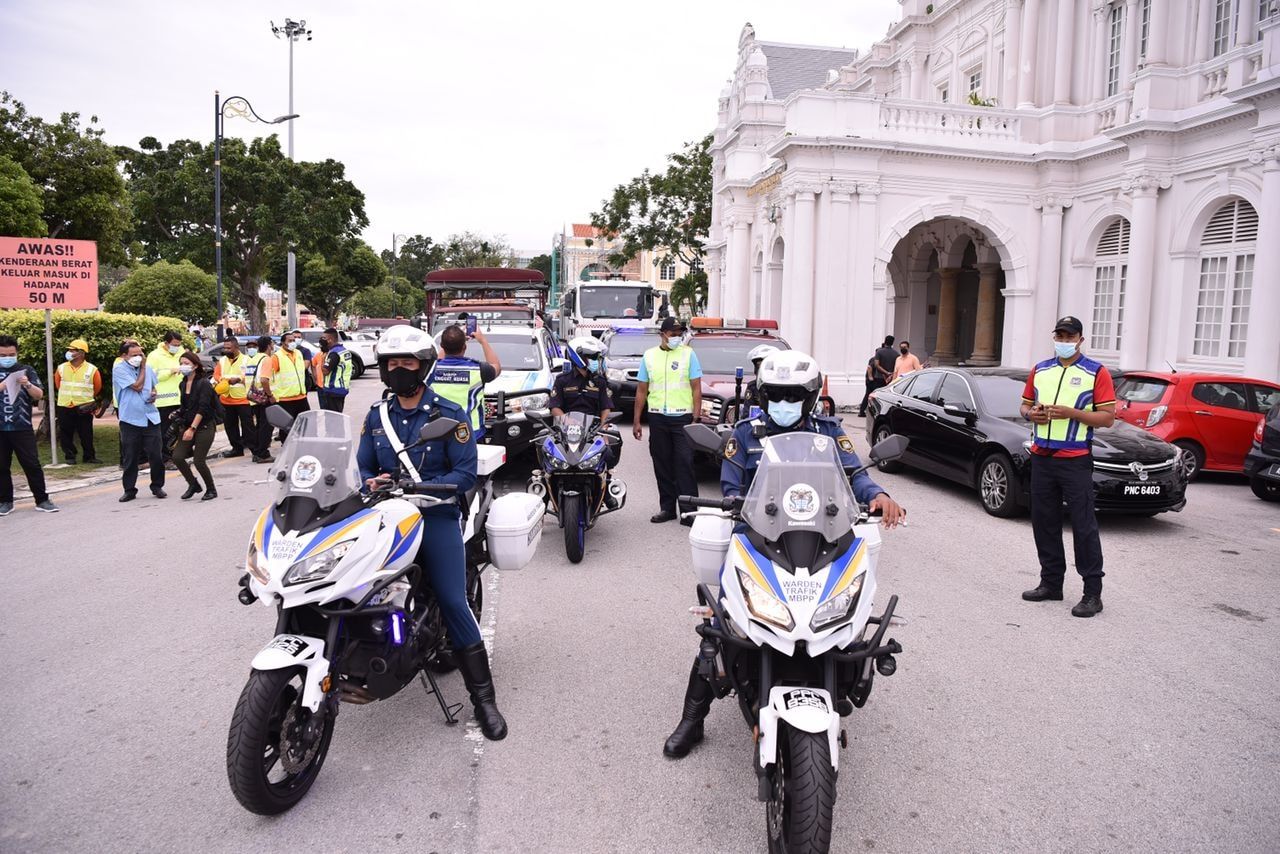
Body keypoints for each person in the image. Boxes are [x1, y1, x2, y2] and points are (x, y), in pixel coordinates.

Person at [662, 350, 903, 758]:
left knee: (852, 605)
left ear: (809, 398)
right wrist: (736, 504)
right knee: (723, 622)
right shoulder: (743, 434)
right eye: (775, 395)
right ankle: (692, 718)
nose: (783, 404)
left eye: (793, 396)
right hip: (758, 536)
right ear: (762, 395)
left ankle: (844, 668)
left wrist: (878, 495)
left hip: (821, 534)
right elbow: (732, 487)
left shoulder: (829, 432)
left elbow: (856, 475)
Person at [355, 325, 507, 741]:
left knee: (453, 601)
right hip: (386, 516)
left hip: (434, 515)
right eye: (392, 364)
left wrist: (426, 488)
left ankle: (484, 701)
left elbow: (463, 471)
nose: (399, 370)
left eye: (407, 363)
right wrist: (369, 480)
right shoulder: (376, 416)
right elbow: (363, 464)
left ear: (424, 367)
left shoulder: (449, 416)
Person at [1019, 316, 1116, 618]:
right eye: (1059, 335)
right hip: (1042, 457)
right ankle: (1051, 583)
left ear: (1080, 340)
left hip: (1074, 460)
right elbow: (1024, 405)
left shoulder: (1096, 373)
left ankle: (1092, 593)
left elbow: (1108, 417)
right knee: (1043, 521)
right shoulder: (1041, 370)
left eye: (1069, 336)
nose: (1063, 340)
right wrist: (1030, 414)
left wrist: (1073, 413)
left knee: (1083, 525)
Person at [633, 317, 701, 523]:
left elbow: (696, 387)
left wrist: (696, 417)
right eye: (673, 334)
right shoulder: (649, 356)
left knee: (684, 463)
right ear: (662, 334)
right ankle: (668, 508)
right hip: (657, 417)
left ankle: (689, 511)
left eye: (680, 334)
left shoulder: (689, 354)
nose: (677, 338)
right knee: (662, 464)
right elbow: (642, 390)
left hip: (682, 417)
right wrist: (636, 420)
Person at [0, 336, 59, 515]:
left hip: (22, 426)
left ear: (17, 353)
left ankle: (42, 499)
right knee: (1, 466)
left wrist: (27, 384)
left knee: (31, 464)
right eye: (3, 355)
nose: (8, 357)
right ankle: (5, 501)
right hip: (0, 429)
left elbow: (39, 394)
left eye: (11, 354)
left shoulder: (26, 370)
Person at [550, 336, 623, 476]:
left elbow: (605, 409)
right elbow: (554, 407)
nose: (595, 360)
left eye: (597, 357)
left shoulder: (600, 382)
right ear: (579, 357)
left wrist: (604, 430)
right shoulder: (562, 380)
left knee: (608, 452)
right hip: (566, 430)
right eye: (592, 357)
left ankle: (606, 488)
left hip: (592, 431)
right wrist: (567, 420)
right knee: (547, 453)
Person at [113, 342, 166, 502]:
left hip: (150, 417)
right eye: (134, 355)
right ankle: (129, 489)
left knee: (156, 455)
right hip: (130, 418)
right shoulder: (120, 369)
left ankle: (157, 486)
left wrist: (154, 394)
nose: (138, 358)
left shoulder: (148, 369)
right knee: (130, 456)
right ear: (124, 356)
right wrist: (142, 368)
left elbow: (153, 386)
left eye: (140, 354)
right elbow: (136, 386)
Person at [431, 321, 501, 440]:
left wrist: (452, 340)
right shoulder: (479, 370)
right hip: (471, 434)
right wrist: (482, 341)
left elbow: (438, 360)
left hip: (438, 432)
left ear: (442, 346)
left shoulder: (430, 370)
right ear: (465, 347)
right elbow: (496, 366)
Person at [172, 351, 218, 501]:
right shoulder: (182, 383)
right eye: (181, 363)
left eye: (186, 363)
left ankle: (211, 489)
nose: (183, 366)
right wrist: (177, 414)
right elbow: (185, 406)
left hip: (204, 426)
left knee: (199, 460)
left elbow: (203, 408)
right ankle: (193, 484)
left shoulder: (204, 383)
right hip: (187, 425)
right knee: (177, 457)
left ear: (195, 365)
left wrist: (192, 429)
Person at [53, 338, 102, 464]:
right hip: (65, 405)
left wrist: (85, 398)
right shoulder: (61, 368)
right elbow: (58, 384)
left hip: (84, 406)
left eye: (72, 350)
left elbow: (97, 387)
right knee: (65, 433)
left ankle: (89, 457)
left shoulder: (92, 369)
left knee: (86, 433)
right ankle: (70, 456)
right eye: (69, 350)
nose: (69, 352)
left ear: (81, 353)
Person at [213, 336, 256, 458]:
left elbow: (250, 377)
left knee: (248, 427)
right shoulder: (222, 361)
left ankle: (255, 451)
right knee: (230, 426)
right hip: (226, 399)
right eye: (225, 348)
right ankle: (236, 449)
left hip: (243, 399)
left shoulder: (247, 360)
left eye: (229, 348)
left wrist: (239, 379)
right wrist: (222, 380)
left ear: (236, 347)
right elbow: (216, 375)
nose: (226, 350)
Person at [149, 331, 185, 465]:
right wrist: (170, 371)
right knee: (165, 432)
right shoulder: (155, 356)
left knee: (178, 430)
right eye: (174, 344)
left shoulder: (181, 353)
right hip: (163, 401)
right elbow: (152, 377)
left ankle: (177, 456)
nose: (176, 347)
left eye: (178, 344)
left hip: (179, 398)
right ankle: (165, 458)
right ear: (166, 343)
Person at [271, 330, 311, 441]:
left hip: (300, 396)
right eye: (290, 340)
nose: (293, 342)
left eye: (294, 340)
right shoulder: (276, 357)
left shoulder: (298, 353)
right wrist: (271, 395)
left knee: (305, 422)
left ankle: (302, 443)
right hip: (285, 398)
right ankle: (286, 446)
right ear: (283, 343)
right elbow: (269, 377)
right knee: (286, 426)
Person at [243, 335, 274, 463]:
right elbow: (264, 380)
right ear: (268, 345)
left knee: (259, 425)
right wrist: (270, 395)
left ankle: (257, 452)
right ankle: (263, 453)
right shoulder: (266, 359)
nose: (273, 346)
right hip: (264, 397)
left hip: (254, 397)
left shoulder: (253, 358)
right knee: (266, 426)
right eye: (272, 344)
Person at [313, 327, 354, 413]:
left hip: (333, 389)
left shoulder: (334, 353)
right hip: (341, 388)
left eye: (324, 338)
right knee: (337, 415)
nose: (321, 340)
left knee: (332, 418)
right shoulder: (343, 351)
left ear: (330, 340)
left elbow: (325, 371)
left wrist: (323, 359)